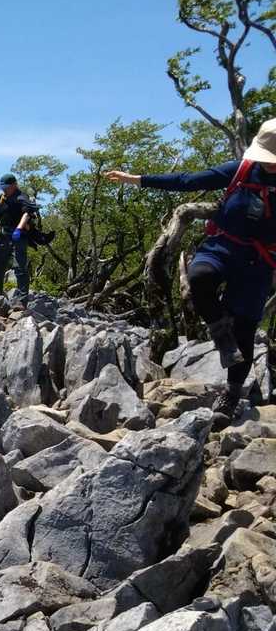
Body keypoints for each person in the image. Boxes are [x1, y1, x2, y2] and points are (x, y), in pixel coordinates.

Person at [105, 118, 276, 419]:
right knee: (199, 277)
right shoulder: (242, 169)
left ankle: (231, 394)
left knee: (246, 329)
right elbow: (189, 180)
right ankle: (221, 335)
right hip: (223, 247)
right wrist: (137, 179)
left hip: (259, 262)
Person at [0, 173, 34, 303]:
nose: (4, 190)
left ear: (14, 185)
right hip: (4, 236)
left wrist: (19, 229)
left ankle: (22, 301)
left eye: (6, 187)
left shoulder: (22, 197)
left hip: (18, 236)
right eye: (2, 188)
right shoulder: (1, 199)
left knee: (20, 267)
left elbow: (27, 214)